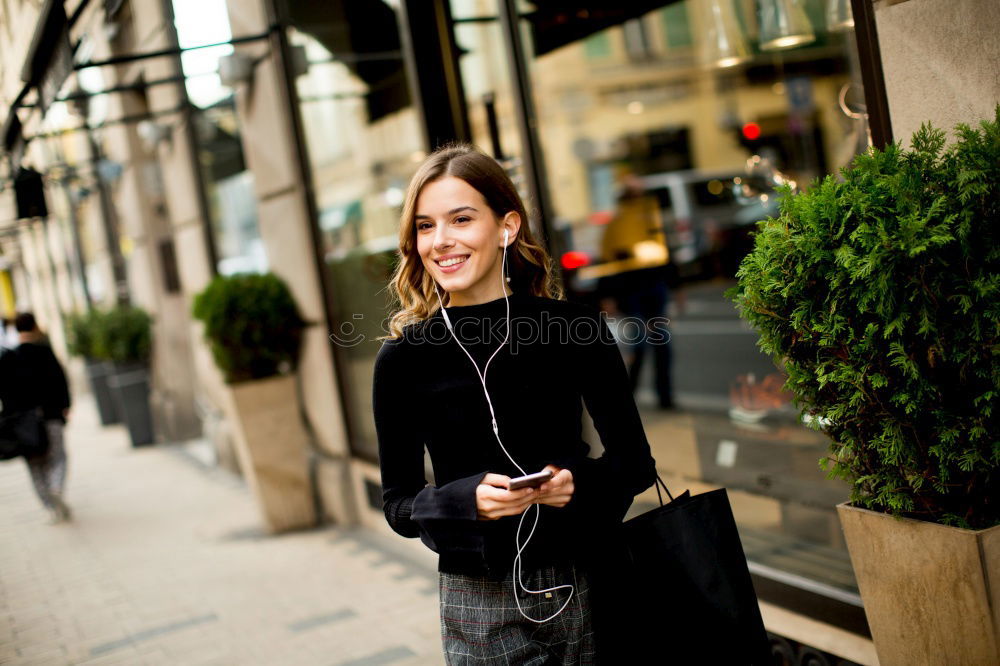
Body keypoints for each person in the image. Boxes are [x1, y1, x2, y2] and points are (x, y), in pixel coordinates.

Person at [372, 144, 657, 664]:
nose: (442, 241)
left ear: (506, 227)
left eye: (461, 219)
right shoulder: (404, 357)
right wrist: (464, 502)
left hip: (594, 577)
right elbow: (398, 503)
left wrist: (576, 484)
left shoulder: (575, 328)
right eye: (425, 226)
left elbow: (635, 466)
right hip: (479, 599)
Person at [0, 312, 72, 523]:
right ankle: (56, 487)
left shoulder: (9, 358)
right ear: (34, 327)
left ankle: (50, 506)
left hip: (23, 423)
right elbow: (60, 380)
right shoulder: (44, 352)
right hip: (50, 415)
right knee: (58, 457)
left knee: (34, 464)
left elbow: (4, 393)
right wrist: (65, 406)